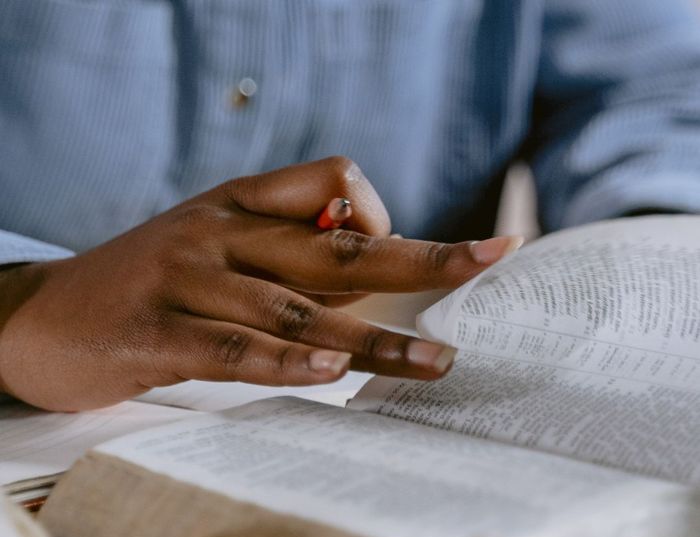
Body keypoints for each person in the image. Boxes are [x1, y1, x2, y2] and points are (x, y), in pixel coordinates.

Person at [1, 0, 699, 411]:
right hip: (30, 407)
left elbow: (654, 86)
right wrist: (21, 291)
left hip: (387, 406)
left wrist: (643, 266)